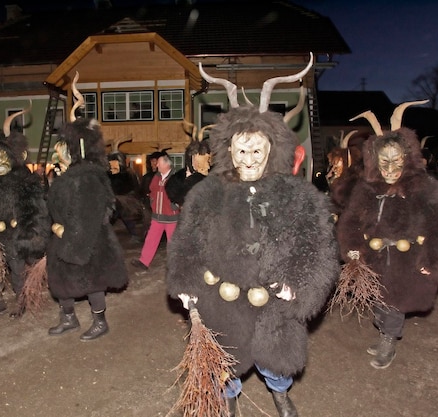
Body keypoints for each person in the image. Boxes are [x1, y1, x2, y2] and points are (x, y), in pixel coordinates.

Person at [166, 57, 338, 417]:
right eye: (241, 150)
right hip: (221, 302)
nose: (248, 158)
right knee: (227, 361)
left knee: (276, 364)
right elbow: (187, 242)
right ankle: (229, 396)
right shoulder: (206, 194)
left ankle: (279, 395)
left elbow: (317, 246)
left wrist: (299, 284)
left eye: (256, 149)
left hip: (273, 306)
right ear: (228, 151)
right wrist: (185, 281)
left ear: (271, 150)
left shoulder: (298, 195)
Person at [336, 101, 438, 370]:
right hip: (375, 258)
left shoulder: (427, 189)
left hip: (408, 261)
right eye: (384, 159)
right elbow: (350, 220)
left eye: (396, 159)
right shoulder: (368, 188)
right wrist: (354, 248)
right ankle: (384, 330)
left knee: (395, 301)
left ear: (407, 159)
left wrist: (436, 261)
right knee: (380, 299)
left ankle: (388, 340)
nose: (390, 166)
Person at [46, 76, 128, 341]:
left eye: (62, 151)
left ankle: (100, 321)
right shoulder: (66, 176)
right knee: (61, 279)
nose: (57, 155)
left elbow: (90, 214)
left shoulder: (88, 177)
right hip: (64, 237)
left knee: (91, 281)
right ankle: (68, 318)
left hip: (88, 240)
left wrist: (69, 235)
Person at [0, 106, 50, 320]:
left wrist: (32, 237)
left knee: (17, 270)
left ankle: (22, 301)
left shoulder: (26, 179)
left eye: (0, 158)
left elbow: (37, 210)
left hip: (15, 235)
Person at [130, 152, 179, 271]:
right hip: (157, 216)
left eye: (159, 164)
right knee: (151, 239)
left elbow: (179, 194)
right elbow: (152, 190)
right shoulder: (156, 176)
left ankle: (175, 266)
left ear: (167, 165)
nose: (157, 166)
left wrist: (175, 206)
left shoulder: (175, 177)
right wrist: (153, 202)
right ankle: (144, 262)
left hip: (171, 217)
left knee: (173, 243)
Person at [108, 149, 143, 242]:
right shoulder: (109, 175)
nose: (112, 165)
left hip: (126, 200)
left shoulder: (129, 174)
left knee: (127, 218)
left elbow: (135, 187)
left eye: (114, 163)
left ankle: (135, 235)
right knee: (110, 218)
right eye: (111, 163)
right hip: (114, 201)